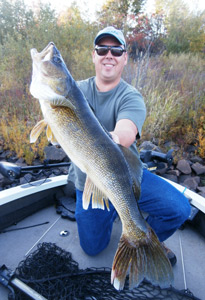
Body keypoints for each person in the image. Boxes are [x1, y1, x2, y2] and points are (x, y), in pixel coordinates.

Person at [68, 26, 191, 266]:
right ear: (93, 55)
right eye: (102, 49)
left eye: (116, 50)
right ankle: (114, 212)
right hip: (89, 182)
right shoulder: (75, 91)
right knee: (92, 248)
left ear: (125, 58)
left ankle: (148, 239)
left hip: (128, 175)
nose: (109, 55)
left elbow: (125, 133)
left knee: (178, 208)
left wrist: (110, 138)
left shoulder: (131, 96)